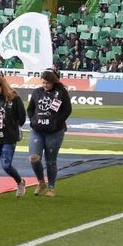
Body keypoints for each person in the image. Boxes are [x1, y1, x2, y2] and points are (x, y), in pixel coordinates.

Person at [27, 69, 72, 197]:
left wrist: (57, 122)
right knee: (34, 157)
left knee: (50, 160)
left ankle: (51, 188)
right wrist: (33, 121)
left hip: (54, 132)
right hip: (37, 130)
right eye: (43, 82)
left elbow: (67, 110)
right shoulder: (37, 92)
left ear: (53, 82)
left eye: (47, 83)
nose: (45, 85)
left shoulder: (60, 93)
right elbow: (30, 109)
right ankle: (41, 182)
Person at [0, 75, 27, 199]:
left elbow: (22, 117)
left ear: (2, 86)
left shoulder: (14, 98)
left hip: (9, 136)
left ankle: (20, 181)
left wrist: (13, 127)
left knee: (6, 165)